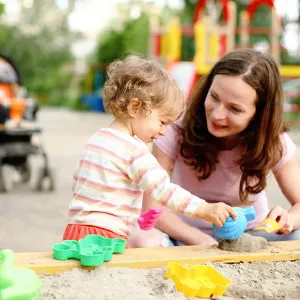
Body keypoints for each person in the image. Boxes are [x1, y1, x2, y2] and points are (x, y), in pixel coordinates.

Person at [128, 49, 300, 248]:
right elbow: (151, 209)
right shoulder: (175, 128)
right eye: (215, 97)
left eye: (234, 109)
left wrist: (287, 219)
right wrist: (203, 242)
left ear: (259, 115)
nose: (217, 114)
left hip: (251, 237)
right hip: (184, 237)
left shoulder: (274, 141)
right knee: (139, 236)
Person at [62, 55, 236, 245]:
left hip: (75, 231)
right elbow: (163, 190)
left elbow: (79, 181)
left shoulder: (97, 139)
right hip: (108, 236)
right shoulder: (134, 149)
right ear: (136, 107)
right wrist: (203, 209)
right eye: (162, 122)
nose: (163, 132)